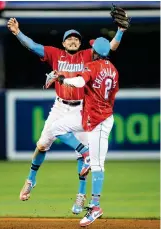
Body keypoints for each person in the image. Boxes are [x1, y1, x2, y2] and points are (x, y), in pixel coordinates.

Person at [7, 17, 123, 214]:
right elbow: (33, 46)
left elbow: (109, 47)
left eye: (76, 39)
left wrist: (120, 31)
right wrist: (18, 33)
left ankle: (80, 195)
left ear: (80, 43)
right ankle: (31, 179)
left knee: (83, 155)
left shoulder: (88, 55)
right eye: (69, 38)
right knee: (42, 144)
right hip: (60, 106)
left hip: (82, 107)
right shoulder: (55, 54)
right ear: (63, 43)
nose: (73, 41)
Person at [47, 36, 119, 226]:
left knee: (98, 165)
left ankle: (95, 206)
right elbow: (112, 94)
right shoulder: (113, 70)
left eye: (93, 48)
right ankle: (84, 153)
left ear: (96, 52)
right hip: (90, 115)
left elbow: (79, 83)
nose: (91, 50)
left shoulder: (92, 67)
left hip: (99, 121)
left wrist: (62, 78)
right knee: (56, 127)